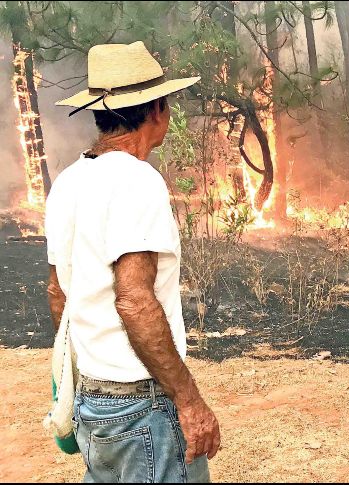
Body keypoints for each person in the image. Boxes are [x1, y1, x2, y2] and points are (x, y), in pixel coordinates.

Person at [46, 41, 220, 483]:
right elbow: (135, 300)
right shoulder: (138, 180)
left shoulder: (68, 181)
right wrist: (189, 400)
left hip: (95, 403)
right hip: (143, 409)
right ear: (157, 109)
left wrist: (85, 373)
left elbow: (57, 293)